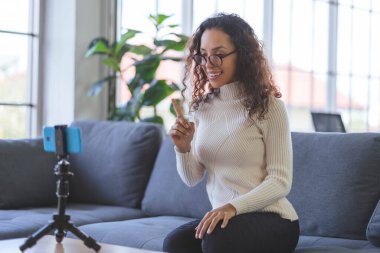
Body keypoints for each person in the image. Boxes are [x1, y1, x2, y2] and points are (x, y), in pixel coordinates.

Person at [164, 13, 299, 253]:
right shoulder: (203, 107)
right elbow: (192, 178)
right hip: (228, 219)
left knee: (218, 242)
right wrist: (183, 148)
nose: (209, 64)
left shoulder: (269, 106)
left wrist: (231, 207)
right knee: (175, 243)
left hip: (274, 219)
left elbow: (280, 182)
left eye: (219, 54)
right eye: (203, 56)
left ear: (243, 55)